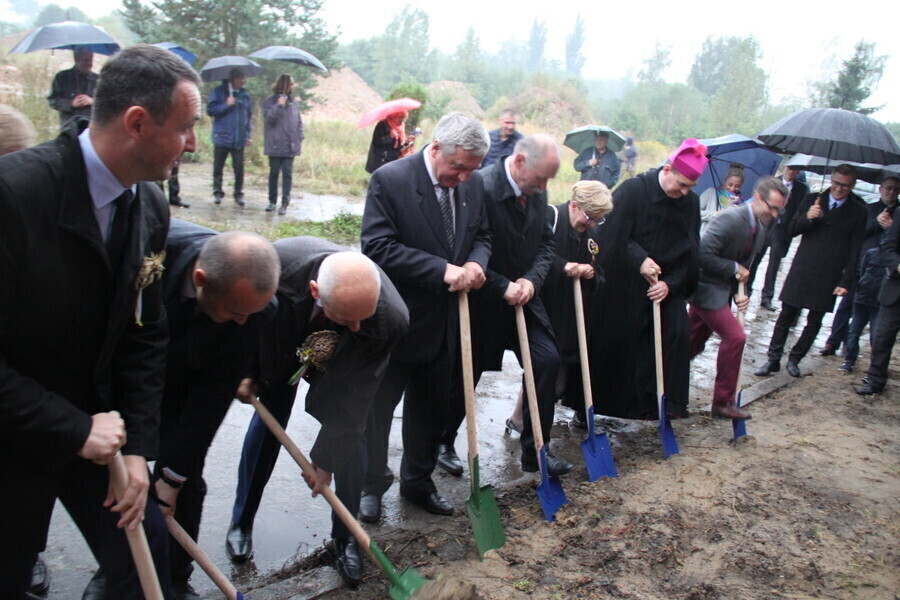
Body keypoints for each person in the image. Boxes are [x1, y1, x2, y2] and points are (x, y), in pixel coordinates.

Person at [0, 43, 202, 600]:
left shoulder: (150, 208)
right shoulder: (15, 195)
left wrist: (136, 444)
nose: (192, 144)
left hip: (103, 435)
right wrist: (73, 428)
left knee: (146, 570)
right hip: (14, 434)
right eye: (186, 128)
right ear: (138, 122)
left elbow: (146, 335)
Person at [226, 239, 408, 589]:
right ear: (315, 292)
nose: (357, 325)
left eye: (362, 318)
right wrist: (249, 372)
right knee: (267, 424)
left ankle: (346, 537)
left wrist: (325, 460)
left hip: (346, 360)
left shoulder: (387, 319)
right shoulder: (276, 271)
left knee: (352, 443)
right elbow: (247, 324)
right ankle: (242, 521)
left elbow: (355, 400)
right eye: (348, 318)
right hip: (285, 338)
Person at [359, 112, 490, 522]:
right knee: (379, 409)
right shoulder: (391, 180)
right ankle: (371, 484)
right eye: (458, 167)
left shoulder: (474, 184)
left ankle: (417, 481)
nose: (465, 177)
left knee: (430, 407)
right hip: (397, 320)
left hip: (447, 322)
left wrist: (475, 263)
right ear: (436, 150)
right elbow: (377, 247)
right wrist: (440, 269)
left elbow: (482, 235)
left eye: (472, 169)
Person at [460, 134, 572, 477]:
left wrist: (530, 282)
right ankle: (441, 444)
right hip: (482, 302)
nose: (545, 185)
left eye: (549, 179)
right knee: (465, 375)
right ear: (520, 162)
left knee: (547, 360)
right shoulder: (481, 185)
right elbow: (467, 249)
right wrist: (501, 285)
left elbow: (546, 247)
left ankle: (537, 449)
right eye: (542, 178)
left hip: (524, 300)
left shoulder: (536, 188)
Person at [589, 138, 708, 420]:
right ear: (667, 170)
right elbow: (612, 237)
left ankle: (660, 407)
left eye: (690, 187)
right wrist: (640, 260)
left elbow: (691, 252)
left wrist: (671, 284)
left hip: (665, 287)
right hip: (625, 285)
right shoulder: (633, 190)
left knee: (677, 335)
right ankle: (598, 406)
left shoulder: (689, 202)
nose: (685, 192)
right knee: (617, 343)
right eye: (681, 185)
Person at [506, 180, 613, 433]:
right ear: (574, 205)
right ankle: (523, 422)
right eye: (590, 217)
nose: (592, 224)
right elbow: (529, 255)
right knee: (543, 364)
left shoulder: (591, 235)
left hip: (571, 313)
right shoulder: (549, 218)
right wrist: (563, 266)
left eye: (598, 219)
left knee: (557, 370)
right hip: (542, 307)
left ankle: (526, 420)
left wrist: (590, 273)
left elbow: (601, 273)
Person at [689, 177, 788, 420]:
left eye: (780, 209)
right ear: (757, 197)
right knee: (735, 337)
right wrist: (733, 268)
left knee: (689, 342)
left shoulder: (762, 226)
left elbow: (746, 265)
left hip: (723, 291)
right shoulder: (730, 219)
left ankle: (663, 382)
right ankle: (722, 402)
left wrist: (739, 292)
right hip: (704, 289)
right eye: (772, 207)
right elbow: (701, 255)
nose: (775, 214)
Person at [755, 164, 867, 378]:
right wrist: (808, 218)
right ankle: (773, 359)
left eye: (845, 186)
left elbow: (856, 250)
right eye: (836, 184)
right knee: (786, 315)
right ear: (831, 180)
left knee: (814, 320)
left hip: (830, 272)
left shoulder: (858, 210)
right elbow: (791, 230)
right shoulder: (813, 200)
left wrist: (846, 280)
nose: (839, 189)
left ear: (852, 185)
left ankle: (796, 358)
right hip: (803, 267)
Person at [822, 175, 900, 356]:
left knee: (873, 313)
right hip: (861, 265)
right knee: (846, 306)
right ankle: (833, 341)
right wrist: (876, 224)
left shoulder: (898, 213)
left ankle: (856, 348)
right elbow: (858, 234)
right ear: (881, 188)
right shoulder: (868, 209)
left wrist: (890, 228)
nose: (891, 192)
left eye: (895, 189)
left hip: (884, 272)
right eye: (888, 187)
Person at [752, 164, 809, 311]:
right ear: (785, 167)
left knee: (774, 263)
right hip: (766, 225)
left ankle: (767, 297)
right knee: (756, 257)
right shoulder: (773, 183)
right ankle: (747, 288)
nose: (792, 172)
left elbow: (800, 210)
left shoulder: (801, 189)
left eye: (796, 169)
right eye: (790, 168)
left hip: (782, 229)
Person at [856, 217, 900, 396]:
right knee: (881, 336)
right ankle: (875, 379)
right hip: (896, 288)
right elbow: (888, 246)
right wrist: (897, 265)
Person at [208, 68, 252, 206]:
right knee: (218, 167)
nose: (243, 81)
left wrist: (248, 134)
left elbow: (248, 116)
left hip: (239, 138)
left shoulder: (245, 95)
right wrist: (226, 104)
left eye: (244, 79)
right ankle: (217, 192)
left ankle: (238, 194)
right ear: (233, 79)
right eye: (241, 78)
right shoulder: (219, 92)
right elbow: (211, 111)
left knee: (239, 168)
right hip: (222, 136)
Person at [262, 73, 304, 215]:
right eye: (290, 83)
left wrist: (300, 137)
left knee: (287, 174)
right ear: (283, 84)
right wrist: (279, 106)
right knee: (274, 173)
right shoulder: (269, 102)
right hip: (274, 145)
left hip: (290, 146)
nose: (292, 86)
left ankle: (284, 203)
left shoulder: (294, 103)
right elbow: (269, 120)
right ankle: (272, 201)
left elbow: (298, 122)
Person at [47, 46, 98, 129]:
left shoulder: (99, 79)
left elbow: (108, 102)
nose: (89, 63)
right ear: (76, 59)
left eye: (90, 60)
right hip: (69, 127)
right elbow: (52, 100)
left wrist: (93, 101)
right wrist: (70, 103)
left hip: (92, 128)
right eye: (85, 60)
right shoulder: (61, 77)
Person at [698, 163, 744, 236]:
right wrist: (715, 214)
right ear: (724, 180)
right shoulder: (711, 193)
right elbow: (695, 213)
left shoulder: (740, 204)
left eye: (737, 186)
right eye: (730, 184)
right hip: (705, 238)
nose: (732, 189)